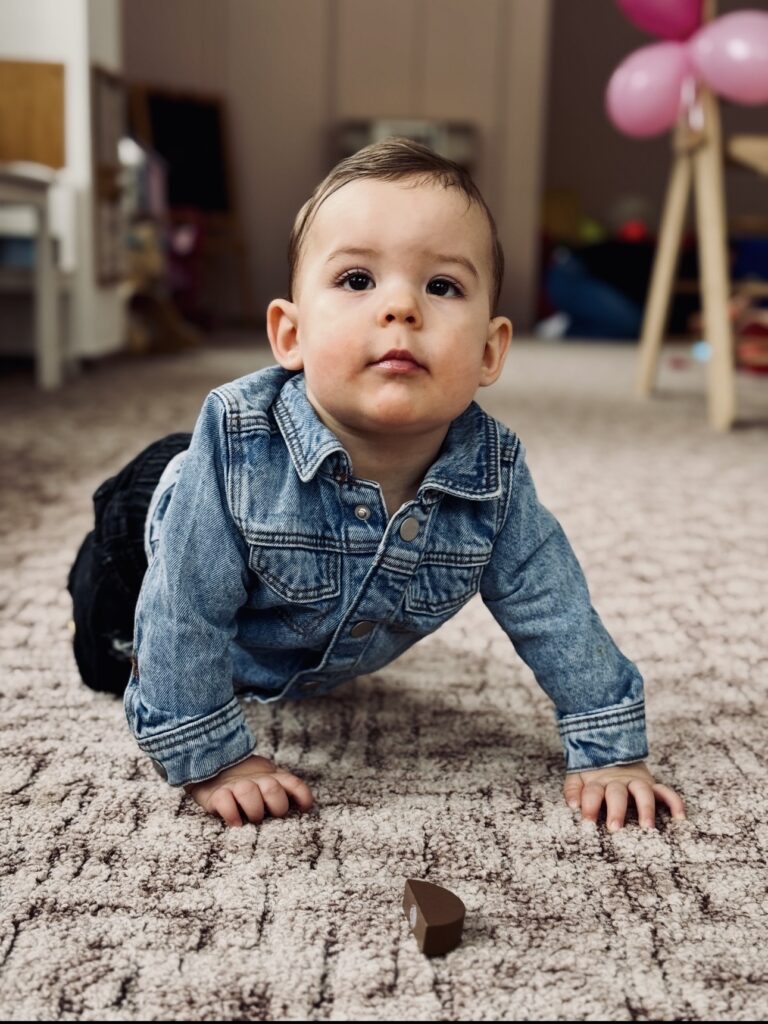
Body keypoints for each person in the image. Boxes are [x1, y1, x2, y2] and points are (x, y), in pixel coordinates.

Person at [67, 138, 686, 833]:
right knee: (110, 662)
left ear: (490, 351)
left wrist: (610, 748)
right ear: (290, 336)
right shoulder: (236, 439)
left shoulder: (493, 478)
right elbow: (183, 606)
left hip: (279, 621)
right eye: (358, 279)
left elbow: (554, 608)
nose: (401, 307)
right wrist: (214, 760)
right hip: (145, 533)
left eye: (442, 286)